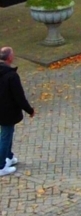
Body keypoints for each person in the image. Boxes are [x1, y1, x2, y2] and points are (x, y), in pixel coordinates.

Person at [0, 46, 34, 177]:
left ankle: (9, 156)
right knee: (5, 135)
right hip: (7, 112)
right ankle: (1, 166)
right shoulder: (11, 76)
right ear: (9, 57)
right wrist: (29, 110)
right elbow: (19, 96)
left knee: (7, 133)